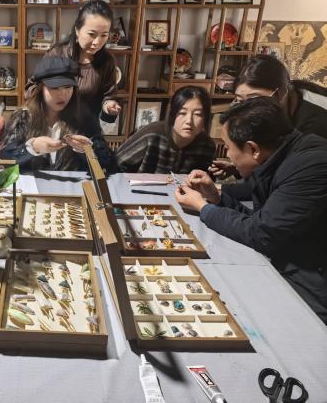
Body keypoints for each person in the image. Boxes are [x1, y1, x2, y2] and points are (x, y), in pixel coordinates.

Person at [175, 97, 327, 324]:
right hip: (292, 260)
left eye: (228, 147)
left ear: (253, 149)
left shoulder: (309, 166)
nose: (227, 156)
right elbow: (263, 221)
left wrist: (203, 207)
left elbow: (261, 233)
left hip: (312, 285)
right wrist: (217, 198)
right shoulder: (283, 156)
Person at [210, 54, 327, 178]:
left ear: (282, 93)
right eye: (240, 101)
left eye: (254, 99)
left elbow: (295, 174)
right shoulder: (276, 108)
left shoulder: (316, 122)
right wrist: (241, 166)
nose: (246, 110)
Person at [0, 56, 113, 172]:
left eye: (68, 87)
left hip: (74, 183)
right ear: (40, 89)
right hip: (31, 182)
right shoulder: (23, 117)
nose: (62, 94)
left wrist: (87, 150)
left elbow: (107, 162)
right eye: (54, 88)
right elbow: (6, 158)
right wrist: (33, 147)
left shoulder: (84, 117)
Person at [24, 0, 122, 123]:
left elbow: (108, 96)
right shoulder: (57, 54)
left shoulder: (107, 61)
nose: (97, 42)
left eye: (104, 35)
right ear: (77, 30)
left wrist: (109, 105)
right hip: (53, 126)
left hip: (87, 128)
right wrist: (47, 95)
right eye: (92, 34)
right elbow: (31, 88)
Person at [114, 86, 215, 173]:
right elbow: (114, 165)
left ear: (206, 118)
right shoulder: (151, 134)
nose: (189, 120)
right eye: (182, 113)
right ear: (172, 114)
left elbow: (207, 181)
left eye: (197, 114)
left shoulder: (207, 145)